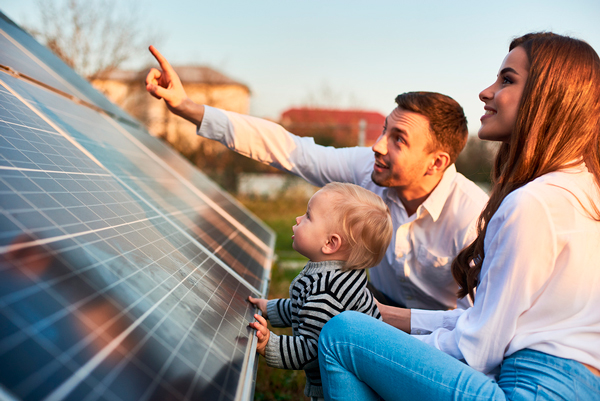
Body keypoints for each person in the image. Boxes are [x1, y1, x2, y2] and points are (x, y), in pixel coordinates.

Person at [317, 32, 600, 400]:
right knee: (362, 327)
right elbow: (488, 319)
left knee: (343, 335)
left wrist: (383, 349)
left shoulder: (533, 204)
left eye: (507, 80)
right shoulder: (585, 191)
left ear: (547, 98)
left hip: (526, 390)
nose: (486, 91)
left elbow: (477, 350)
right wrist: (383, 317)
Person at [145, 47, 489, 311]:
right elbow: (289, 149)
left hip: (440, 339)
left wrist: (380, 321)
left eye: (398, 139)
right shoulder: (369, 169)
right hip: (377, 307)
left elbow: (475, 327)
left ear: (436, 162)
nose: (377, 145)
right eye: (385, 130)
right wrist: (188, 107)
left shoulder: (473, 218)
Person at [247, 182, 392, 401]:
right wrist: (270, 308)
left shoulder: (327, 292)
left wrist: (269, 345)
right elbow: (302, 306)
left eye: (307, 216)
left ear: (330, 243)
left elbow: (311, 349)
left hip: (344, 387)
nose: (298, 219)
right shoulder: (333, 274)